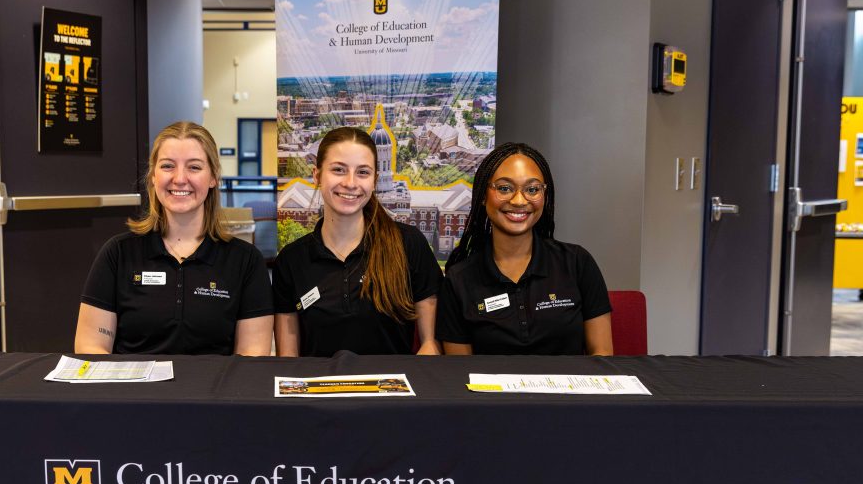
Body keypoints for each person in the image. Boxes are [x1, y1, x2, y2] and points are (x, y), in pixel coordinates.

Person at [74, 121, 273, 355]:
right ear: (153, 176)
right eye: (168, 166)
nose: (179, 178)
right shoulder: (118, 254)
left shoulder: (246, 261)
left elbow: (252, 354)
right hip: (133, 380)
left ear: (213, 177)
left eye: (194, 167)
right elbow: (91, 346)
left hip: (213, 381)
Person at [272, 127, 443, 356]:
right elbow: (288, 361)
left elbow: (430, 346)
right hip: (319, 381)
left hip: (392, 379)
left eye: (362, 172)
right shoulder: (291, 261)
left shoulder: (408, 244)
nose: (350, 183)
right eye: (339, 170)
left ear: (374, 180)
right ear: (317, 175)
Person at [436, 142, 613, 355]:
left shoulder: (577, 263)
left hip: (569, 379)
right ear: (483, 195)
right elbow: (460, 369)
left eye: (532, 189)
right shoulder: (459, 280)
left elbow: (602, 356)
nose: (519, 201)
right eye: (504, 188)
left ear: (544, 195)